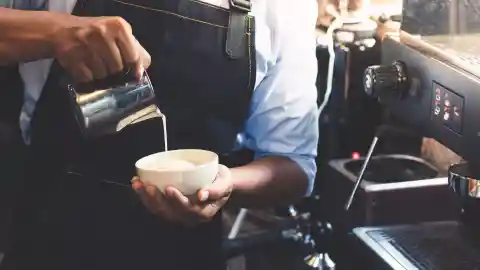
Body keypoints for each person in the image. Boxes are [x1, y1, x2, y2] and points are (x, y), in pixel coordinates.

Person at [0, 0, 319, 269]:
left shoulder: (283, 7)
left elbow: (294, 165)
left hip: (182, 251)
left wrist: (225, 184)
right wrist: (53, 31)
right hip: (49, 234)